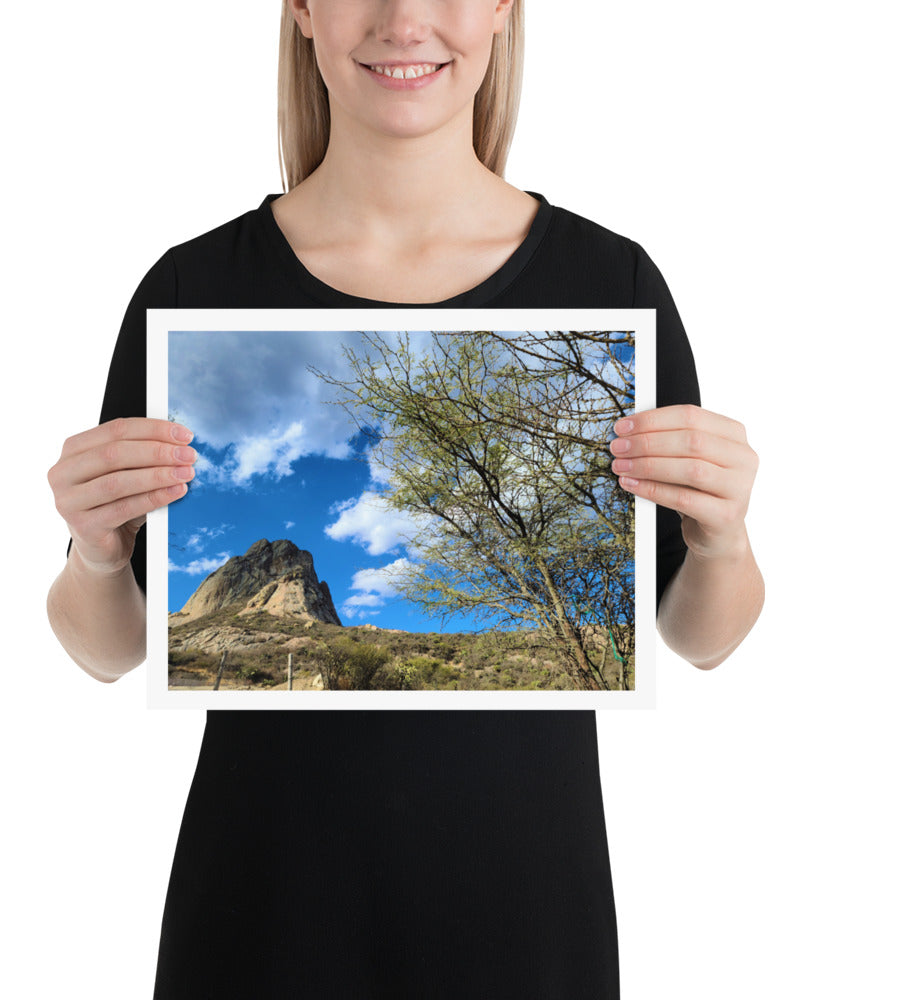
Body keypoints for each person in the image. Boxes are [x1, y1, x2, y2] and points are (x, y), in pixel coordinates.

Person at [47, 1, 764, 995]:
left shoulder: (609, 282)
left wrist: (721, 536)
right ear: (301, 8)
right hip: (261, 921)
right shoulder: (192, 286)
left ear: (505, 8)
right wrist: (92, 550)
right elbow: (109, 647)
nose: (404, 17)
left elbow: (701, 636)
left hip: (525, 923)